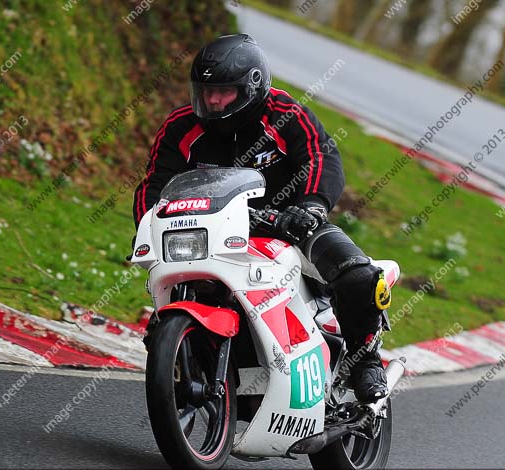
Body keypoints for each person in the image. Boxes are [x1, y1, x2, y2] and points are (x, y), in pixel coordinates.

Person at [132, 34, 391, 403]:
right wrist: (148, 226)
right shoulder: (179, 127)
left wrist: (312, 207)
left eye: (224, 91)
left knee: (359, 274)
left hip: (290, 226)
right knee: (163, 311)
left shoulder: (286, 114)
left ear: (252, 88)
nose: (212, 100)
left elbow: (320, 156)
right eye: (206, 91)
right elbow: (155, 183)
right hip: (211, 231)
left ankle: (365, 361)